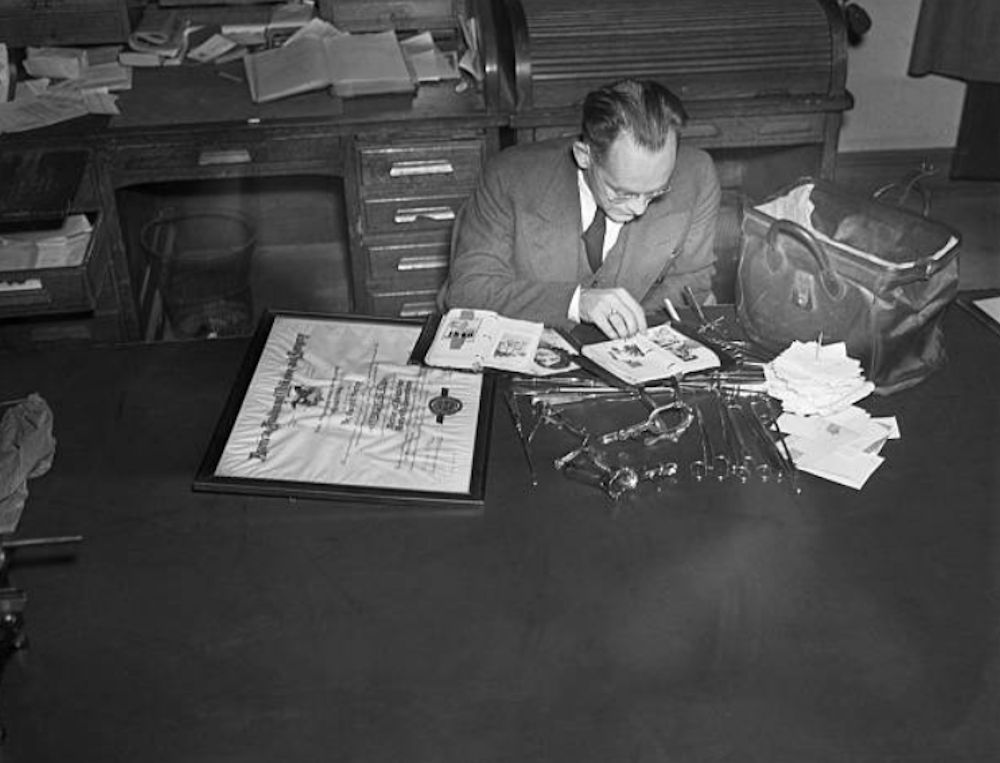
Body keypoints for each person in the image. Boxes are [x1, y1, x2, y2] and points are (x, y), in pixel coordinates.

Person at [439, 78, 721, 339]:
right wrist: (576, 302)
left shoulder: (696, 175)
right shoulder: (510, 179)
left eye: (656, 192)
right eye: (622, 192)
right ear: (584, 156)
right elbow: (468, 291)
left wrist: (629, 325)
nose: (639, 208)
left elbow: (692, 280)